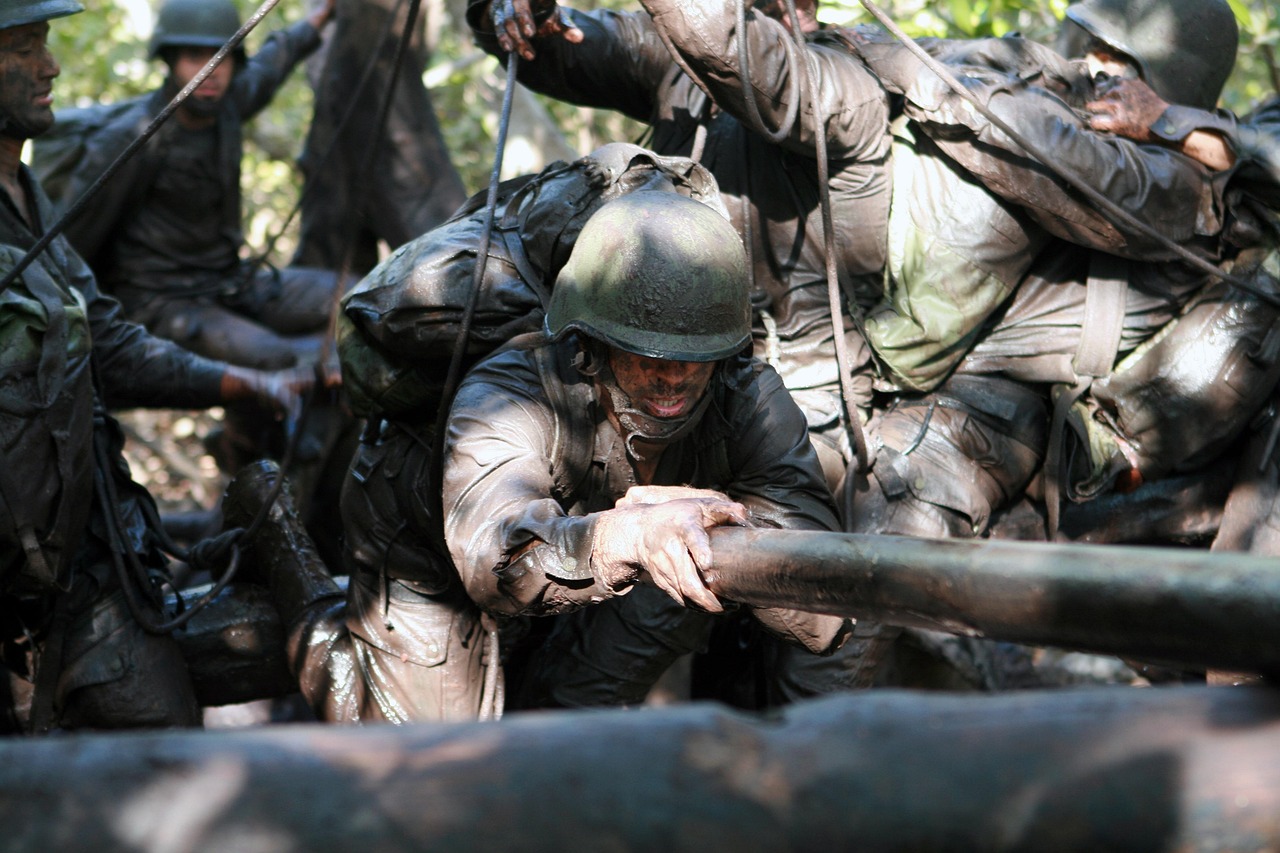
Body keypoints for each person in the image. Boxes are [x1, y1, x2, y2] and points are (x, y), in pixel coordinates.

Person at [0, 0, 314, 733]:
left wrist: (247, 384)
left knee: (158, 730)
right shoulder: (134, 143)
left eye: (45, 44)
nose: (50, 66)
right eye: (23, 47)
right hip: (18, 567)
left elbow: (109, 342)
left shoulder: (26, 192)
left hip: (81, 549)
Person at [441, 191, 850, 709]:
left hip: (617, 593)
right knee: (430, 742)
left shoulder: (748, 397)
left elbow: (825, 612)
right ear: (592, 343)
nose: (674, 377)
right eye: (648, 356)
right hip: (435, 575)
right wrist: (630, 536)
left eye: (695, 356)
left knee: (569, 716)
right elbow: (492, 559)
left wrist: (725, 527)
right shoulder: (510, 394)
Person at [469, 0, 892, 490]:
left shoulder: (843, 85)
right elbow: (564, 45)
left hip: (806, 391)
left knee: (763, 499)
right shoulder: (683, 67)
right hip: (661, 362)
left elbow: (729, 46)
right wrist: (520, 11)